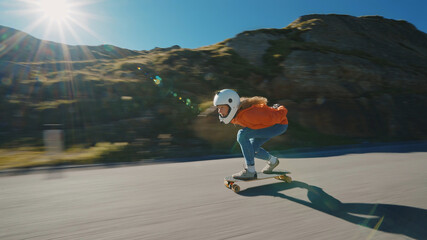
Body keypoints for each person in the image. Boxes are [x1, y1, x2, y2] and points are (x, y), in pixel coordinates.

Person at [213, 89, 288, 180]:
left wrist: (280, 107)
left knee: (242, 135)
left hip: (278, 125)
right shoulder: (235, 112)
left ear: (231, 105)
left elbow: (279, 116)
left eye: (222, 107)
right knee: (252, 150)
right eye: (218, 108)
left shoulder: (251, 114)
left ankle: (250, 170)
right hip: (264, 126)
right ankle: (273, 161)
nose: (219, 111)